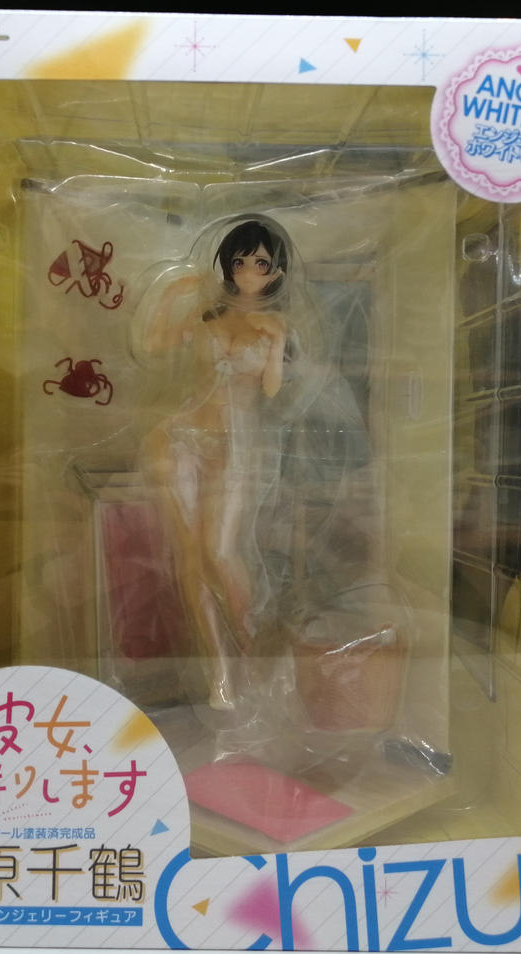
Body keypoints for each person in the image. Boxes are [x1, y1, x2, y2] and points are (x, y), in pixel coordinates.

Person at [138, 216, 296, 711]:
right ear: (227, 266)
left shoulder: (276, 325)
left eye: (260, 263)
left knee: (221, 551)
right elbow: (152, 346)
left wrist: (275, 344)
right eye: (239, 261)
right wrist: (172, 292)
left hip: (236, 445)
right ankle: (219, 672)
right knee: (190, 556)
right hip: (181, 439)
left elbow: (273, 390)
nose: (248, 271)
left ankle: (252, 651)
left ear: (276, 272)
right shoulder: (206, 317)